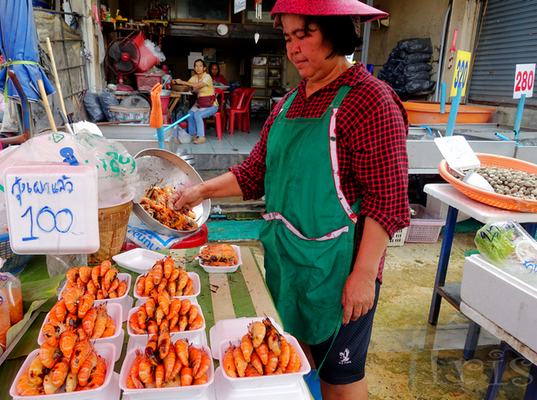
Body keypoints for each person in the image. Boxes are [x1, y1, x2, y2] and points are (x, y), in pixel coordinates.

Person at [168, 1, 409, 398]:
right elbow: (254, 173)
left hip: (341, 267)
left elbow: (389, 200)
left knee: (340, 374)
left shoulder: (370, 101)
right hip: (287, 258)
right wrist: (199, 190)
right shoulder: (289, 104)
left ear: (336, 34)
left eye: (305, 35)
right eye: (288, 37)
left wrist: (364, 275)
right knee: (291, 357)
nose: (294, 48)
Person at [172, 59, 218, 144]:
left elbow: (197, 85)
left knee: (197, 114)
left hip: (211, 105)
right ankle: (192, 135)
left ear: (204, 68)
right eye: (196, 66)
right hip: (201, 103)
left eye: (200, 66)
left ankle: (201, 137)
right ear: (194, 68)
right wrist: (176, 83)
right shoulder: (194, 78)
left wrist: (182, 81)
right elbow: (186, 86)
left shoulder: (207, 77)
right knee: (190, 113)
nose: (198, 68)